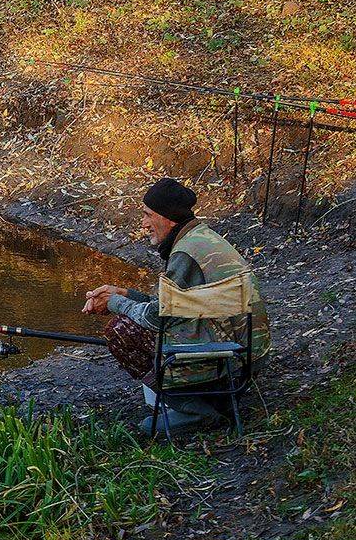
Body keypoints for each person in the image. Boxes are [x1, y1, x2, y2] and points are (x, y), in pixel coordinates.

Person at [82, 177, 270, 435]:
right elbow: (173, 308)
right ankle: (213, 401)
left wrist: (114, 303)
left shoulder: (185, 254)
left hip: (232, 358)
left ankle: (197, 412)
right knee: (135, 321)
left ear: (168, 218)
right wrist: (124, 293)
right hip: (246, 351)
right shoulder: (200, 237)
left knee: (121, 331)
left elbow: (156, 318)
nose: (144, 223)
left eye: (148, 215)